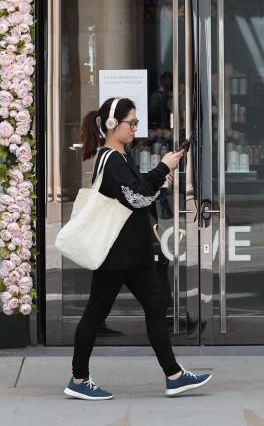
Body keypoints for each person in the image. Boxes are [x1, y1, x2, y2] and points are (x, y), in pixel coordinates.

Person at [64, 96, 212, 400]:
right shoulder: (112, 158)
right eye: (131, 123)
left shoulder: (120, 156)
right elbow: (137, 197)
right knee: (95, 312)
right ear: (111, 125)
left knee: (156, 304)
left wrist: (158, 178)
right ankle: (78, 380)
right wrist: (162, 168)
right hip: (117, 255)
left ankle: (173, 375)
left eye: (136, 123)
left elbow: (138, 190)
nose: (135, 128)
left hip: (133, 253)